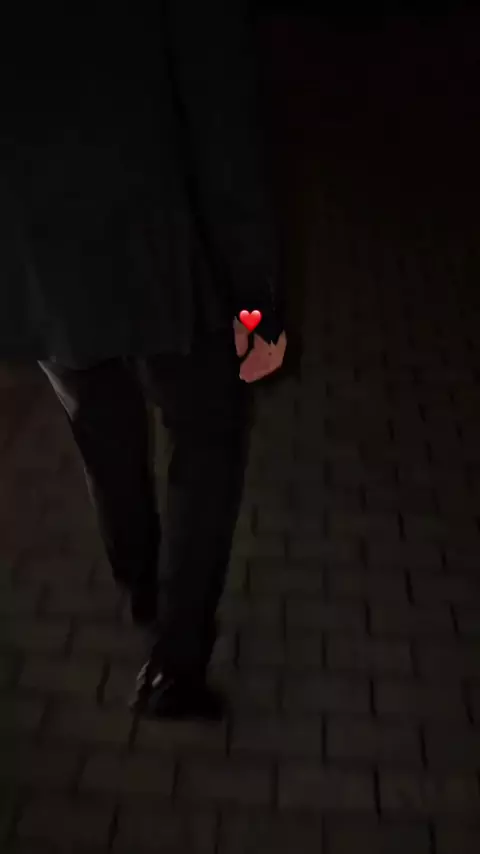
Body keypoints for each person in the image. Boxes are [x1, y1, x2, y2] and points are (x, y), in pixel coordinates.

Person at [0, 2, 286, 720]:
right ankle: (175, 663)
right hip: (164, 260)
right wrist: (255, 303)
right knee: (208, 438)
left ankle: (141, 584)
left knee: (103, 433)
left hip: (44, 262)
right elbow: (228, 132)